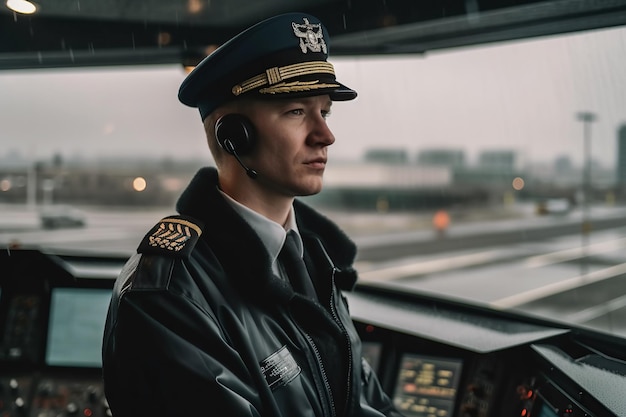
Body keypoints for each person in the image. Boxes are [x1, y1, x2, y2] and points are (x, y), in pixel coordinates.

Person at [102, 12, 403, 417]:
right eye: (297, 111)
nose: (325, 135)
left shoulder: (314, 262)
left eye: (325, 112)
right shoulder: (168, 294)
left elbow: (364, 404)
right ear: (234, 135)